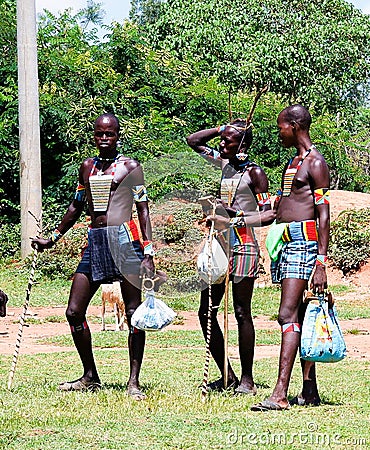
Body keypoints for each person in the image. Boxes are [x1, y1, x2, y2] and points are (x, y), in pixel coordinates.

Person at [32, 113, 154, 400]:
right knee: (74, 311)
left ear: (118, 135)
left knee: (134, 315)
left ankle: (133, 382)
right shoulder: (86, 167)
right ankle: (90, 376)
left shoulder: (131, 167)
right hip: (95, 241)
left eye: (109, 134)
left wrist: (148, 250)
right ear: (94, 135)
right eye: (99, 134)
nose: (104, 139)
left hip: (125, 242)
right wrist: (53, 238)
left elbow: (143, 209)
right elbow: (76, 207)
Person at [251, 104, 330, 411]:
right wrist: (233, 219)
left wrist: (321, 262)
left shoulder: (315, 162)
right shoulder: (292, 162)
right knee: (299, 315)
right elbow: (276, 211)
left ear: (295, 126)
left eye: (281, 126)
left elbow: (324, 215)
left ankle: (280, 393)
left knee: (287, 315)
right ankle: (309, 391)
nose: (278, 131)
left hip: (305, 244)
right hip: (287, 241)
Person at [187, 119, 274, 395]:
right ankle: (227, 375)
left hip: (244, 245)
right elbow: (193, 141)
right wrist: (221, 128)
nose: (222, 144)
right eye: (222, 140)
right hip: (219, 246)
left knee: (241, 311)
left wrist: (234, 217)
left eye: (229, 141)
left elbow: (269, 214)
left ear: (244, 145)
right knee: (205, 312)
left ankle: (247, 380)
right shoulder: (225, 164)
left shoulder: (255, 173)